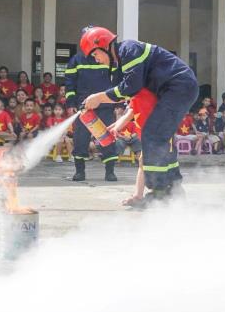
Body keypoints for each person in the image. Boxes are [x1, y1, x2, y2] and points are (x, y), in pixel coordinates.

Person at [80, 26, 199, 208]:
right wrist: (121, 121)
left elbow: (130, 88)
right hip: (175, 90)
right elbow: (135, 96)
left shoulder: (129, 50)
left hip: (178, 87)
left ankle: (160, 193)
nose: (96, 61)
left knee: (153, 136)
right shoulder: (124, 60)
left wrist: (98, 97)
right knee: (160, 138)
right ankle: (173, 190)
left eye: (95, 55)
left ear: (103, 45)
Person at [64, 35, 121, 183]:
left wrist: (119, 105)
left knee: (107, 139)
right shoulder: (76, 60)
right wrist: (71, 104)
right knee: (80, 140)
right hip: (83, 108)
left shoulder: (107, 58)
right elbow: (70, 84)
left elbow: (118, 82)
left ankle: (110, 172)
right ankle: (79, 172)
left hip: (106, 106)